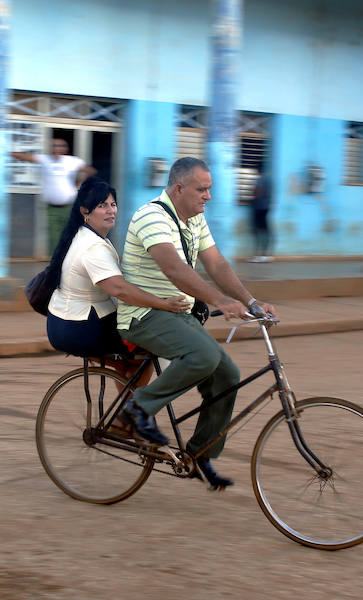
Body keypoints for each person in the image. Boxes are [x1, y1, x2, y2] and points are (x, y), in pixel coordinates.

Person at [116, 157, 277, 490]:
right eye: (201, 189)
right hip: (142, 315)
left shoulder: (194, 220)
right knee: (204, 357)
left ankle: (200, 453)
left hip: (177, 313)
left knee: (228, 375)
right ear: (179, 188)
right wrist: (220, 301)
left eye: (210, 189)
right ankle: (137, 408)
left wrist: (251, 302)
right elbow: (175, 269)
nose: (208, 196)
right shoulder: (151, 216)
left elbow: (216, 264)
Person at [46, 176, 189, 359]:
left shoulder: (84, 235)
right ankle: (139, 389)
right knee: (147, 340)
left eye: (113, 204)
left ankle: (127, 385)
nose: (110, 211)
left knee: (133, 353)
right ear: (85, 212)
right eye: (102, 206)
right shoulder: (93, 247)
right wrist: (163, 304)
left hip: (64, 321)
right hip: (80, 328)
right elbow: (120, 290)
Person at [11, 138, 96, 254]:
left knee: (72, 234)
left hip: (69, 207)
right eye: (54, 146)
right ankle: (57, 264)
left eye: (60, 146)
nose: (57, 148)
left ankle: (74, 261)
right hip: (52, 208)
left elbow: (90, 171)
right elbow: (25, 157)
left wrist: (78, 183)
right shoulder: (45, 159)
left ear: (65, 149)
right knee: (54, 237)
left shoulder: (72, 161)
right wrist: (8, 153)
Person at [249, 163, 273, 262]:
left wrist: (252, 198)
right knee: (265, 231)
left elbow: (257, 193)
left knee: (259, 231)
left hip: (259, 208)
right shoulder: (267, 180)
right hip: (265, 207)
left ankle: (260, 255)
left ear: (258, 170)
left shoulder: (260, 180)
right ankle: (265, 254)